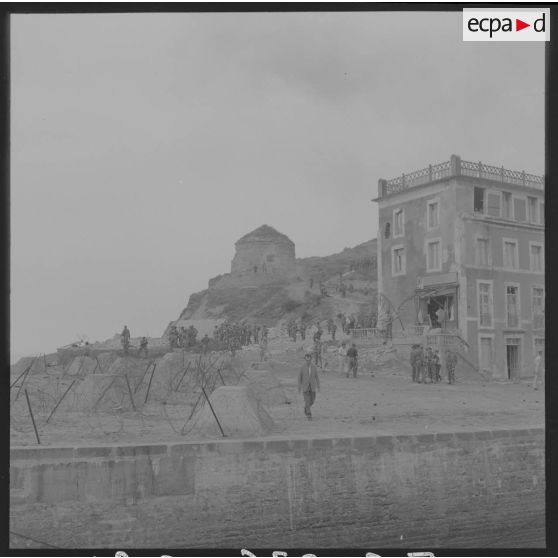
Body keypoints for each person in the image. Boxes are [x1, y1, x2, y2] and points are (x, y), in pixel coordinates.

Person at [298, 353, 320, 420]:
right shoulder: (302, 367)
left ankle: (306, 408)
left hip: (312, 387)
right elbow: (299, 378)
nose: (308, 361)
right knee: (307, 401)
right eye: (306, 360)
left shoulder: (314, 367)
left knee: (312, 401)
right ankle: (309, 414)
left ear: (311, 359)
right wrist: (299, 387)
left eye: (309, 360)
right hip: (305, 387)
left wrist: (318, 386)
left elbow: (317, 377)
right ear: (305, 359)